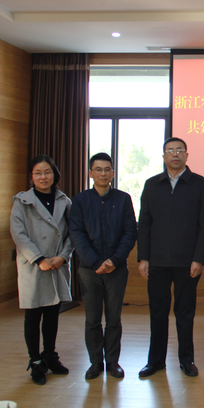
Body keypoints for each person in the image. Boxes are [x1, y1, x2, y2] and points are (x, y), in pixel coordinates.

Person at [137, 137, 204, 378]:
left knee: (185, 313)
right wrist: (143, 257)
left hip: (187, 262)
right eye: (170, 150)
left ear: (186, 155)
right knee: (158, 313)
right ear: (163, 156)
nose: (175, 154)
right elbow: (144, 223)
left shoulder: (200, 184)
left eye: (179, 150)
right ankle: (155, 362)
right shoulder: (152, 184)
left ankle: (186, 360)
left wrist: (199, 258)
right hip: (157, 261)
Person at [69, 153, 137, 380]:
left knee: (114, 319)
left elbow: (130, 233)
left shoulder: (123, 199)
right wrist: (96, 262)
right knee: (92, 319)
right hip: (90, 270)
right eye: (98, 169)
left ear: (113, 173)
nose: (103, 173)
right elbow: (76, 234)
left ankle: (113, 362)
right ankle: (95, 362)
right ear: (90, 173)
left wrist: (114, 260)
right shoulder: (80, 200)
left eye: (107, 169)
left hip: (117, 269)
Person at [10, 155, 73, 385]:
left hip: (56, 263)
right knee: (32, 314)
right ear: (31, 176)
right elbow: (18, 234)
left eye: (47, 172)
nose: (43, 177)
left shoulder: (65, 201)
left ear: (55, 175)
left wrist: (62, 256)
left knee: (52, 313)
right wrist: (39, 259)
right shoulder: (22, 201)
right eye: (38, 173)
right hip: (33, 265)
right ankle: (35, 361)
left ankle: (49, 355)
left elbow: (73, 233)